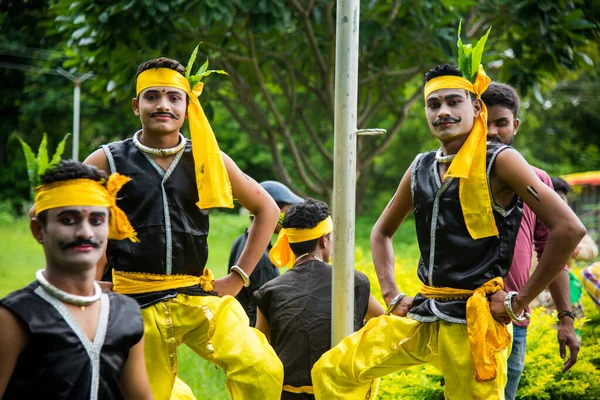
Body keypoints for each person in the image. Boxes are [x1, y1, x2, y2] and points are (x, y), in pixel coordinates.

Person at [311, 58, 586, 398]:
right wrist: (391, 294)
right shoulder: (421, 166)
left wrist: (521, 301)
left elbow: (569, 229)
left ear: (475, 107)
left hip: (475, 324)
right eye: (433, 104)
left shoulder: (500, 160)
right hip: (424, 313)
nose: (442, 111)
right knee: (334, 370)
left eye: (453, 101)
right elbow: (381, 232)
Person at [84, 56, 284, 399]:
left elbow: (266, 208)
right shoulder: (107, 160)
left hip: (197, 295)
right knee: (150, 393)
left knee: (260, 365)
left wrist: (237, 277)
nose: (163, 105)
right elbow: (61, 212)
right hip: (133, 301)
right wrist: (86, 284)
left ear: (188, 105)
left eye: (174, 97)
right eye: (152, 96)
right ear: (136, 105)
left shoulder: (208, 158)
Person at [0, 160, 152, 399]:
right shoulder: (14, 317)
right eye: (68, 220)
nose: (85, 232)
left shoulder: (126, 313)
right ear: (38, 230)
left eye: (97, 220)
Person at [482, 82, 580, 400]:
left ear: (516, 126)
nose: (493, 132)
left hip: (513, 317)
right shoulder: (450, 176)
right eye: (485, 122)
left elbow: (553, 247)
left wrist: (566, 318)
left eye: (502, 123)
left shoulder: (537, 180)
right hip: (463, 316)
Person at [254, 198, 384, 399]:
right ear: (324, 240)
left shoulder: (269, 291)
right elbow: (383, 324)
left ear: (289, 242)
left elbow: (260, 349)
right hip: (341, 393)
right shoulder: (352, 282)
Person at [229, 180, 304, 326]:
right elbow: (264, 310)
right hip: (255, 340)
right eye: (290, 210)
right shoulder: (261, 259)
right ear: (275, 209)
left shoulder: (241, 242)